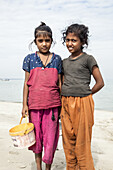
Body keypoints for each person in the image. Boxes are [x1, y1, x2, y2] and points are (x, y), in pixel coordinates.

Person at [61, 23, 104, 170]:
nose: (70, 43)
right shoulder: (64, 62)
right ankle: (71, 167)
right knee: (68, 140)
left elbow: (100, 82)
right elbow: (61, 82)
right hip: (65, 102)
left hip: (83, 102)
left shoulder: (88, 59)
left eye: (74, 40)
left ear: (83, 42)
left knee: (82, 141)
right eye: (67, 40)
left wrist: (87, 94)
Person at [22, 22, 62, 170]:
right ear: (35, 42)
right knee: (37, 139)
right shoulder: (29, 59)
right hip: (34, 106)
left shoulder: (57, 59)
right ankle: (38, 167)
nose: (44, 44)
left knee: (50, 140)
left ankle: (48, 168)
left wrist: (62, 107)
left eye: (47, 40)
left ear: (52, 41)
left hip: (52, 107)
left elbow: (60, 84)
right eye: (40, 41)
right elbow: (26, 83)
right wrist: (24, 105)